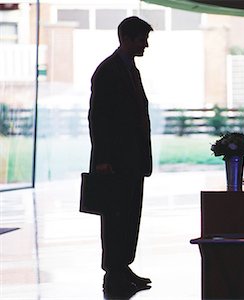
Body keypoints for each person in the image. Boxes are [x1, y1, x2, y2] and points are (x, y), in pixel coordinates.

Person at [88, 16, 153, 296]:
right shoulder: (108, 71)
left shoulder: (129, 70)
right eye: (142, 39)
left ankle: (123, 267)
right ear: (126, 38)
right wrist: (103, 159)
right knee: (115, 217)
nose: (146, 45)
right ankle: (113, 272)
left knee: (129, 215)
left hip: (132, 160)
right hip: (115, 162)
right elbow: (98, 119)